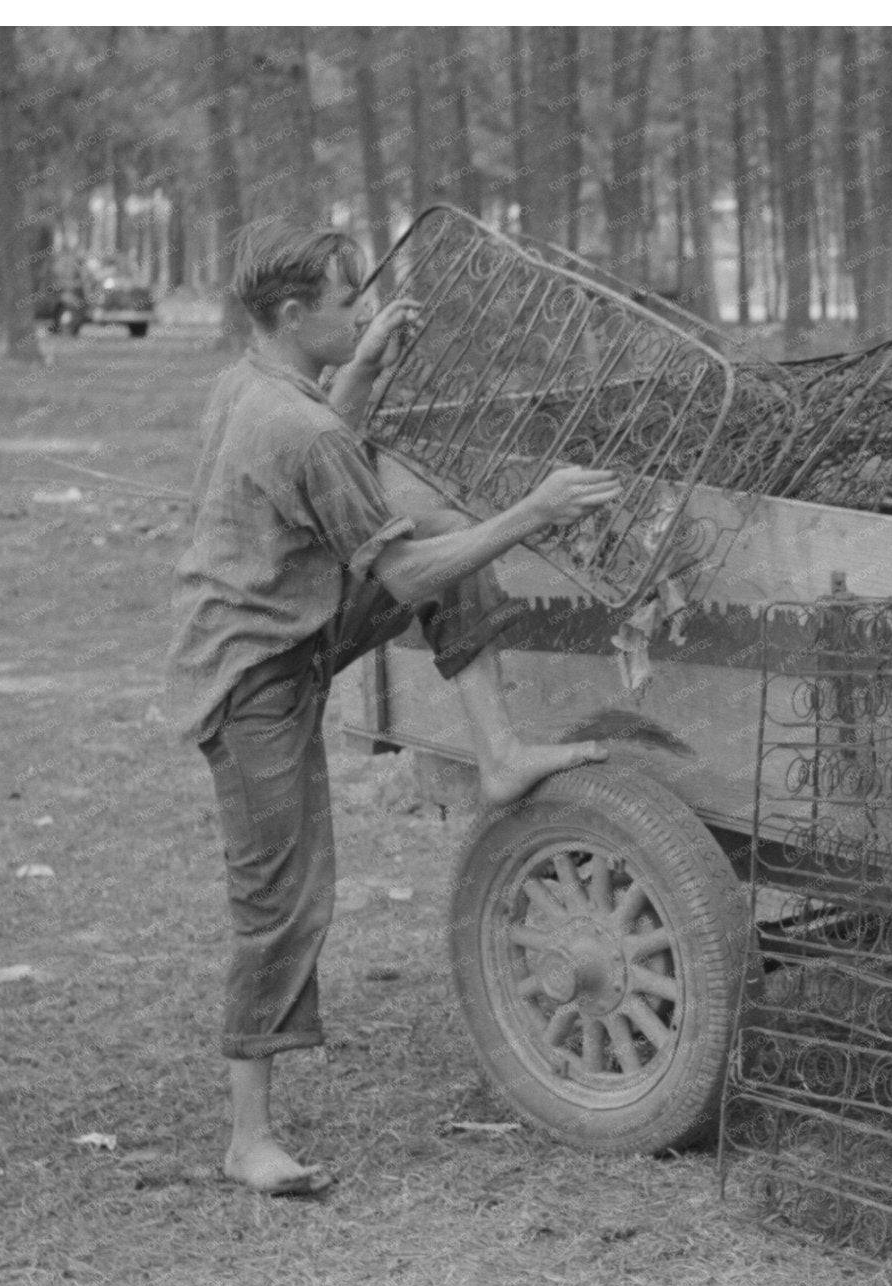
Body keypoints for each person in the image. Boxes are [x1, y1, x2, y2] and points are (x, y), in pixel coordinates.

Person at [168, 221, 622, 1196]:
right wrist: (534, 513)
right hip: (252, 674)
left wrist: (365, 364)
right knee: (281, 899)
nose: (364, 311)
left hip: (298, 620)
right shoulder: (303, 428)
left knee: (449, 535)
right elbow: (398, 560)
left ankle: (497, 752)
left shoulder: (255, 381)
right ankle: (248, 1136)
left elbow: (331, 442)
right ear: (296, 315)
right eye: (350, 305)